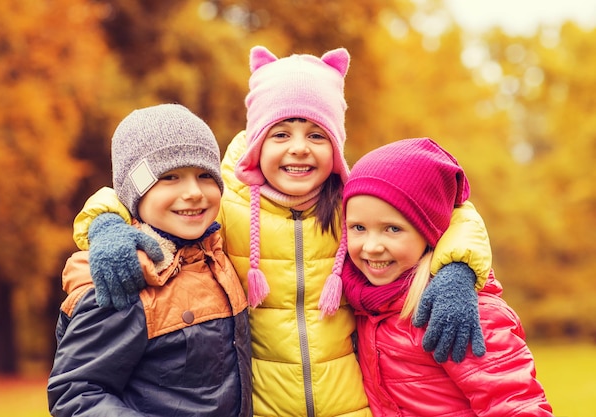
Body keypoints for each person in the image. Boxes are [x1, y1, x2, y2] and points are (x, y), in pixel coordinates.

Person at [70, 47, 492, 416]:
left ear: (337, 145)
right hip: (266, 408)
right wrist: (106, 225)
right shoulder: (220, 200)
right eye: (280, 133)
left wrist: (457, 270)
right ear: (257, 143)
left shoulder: (355, 203)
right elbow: (129, 193)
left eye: (316, 134)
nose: (298, 147)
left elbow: (451, 209)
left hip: (351, 406)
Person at [47, 104, 252, 417]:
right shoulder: (122, 275)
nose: (194, 192)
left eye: (204, 175)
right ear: (136, 193)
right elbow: (76, 393)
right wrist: (107, 226)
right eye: (170, 177)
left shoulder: (217, 255)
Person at [341, 137, 553, 416]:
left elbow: (515, 404)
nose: (371, 246)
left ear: (429, 231)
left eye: (392, 229)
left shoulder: (458, 310)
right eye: (358, 227)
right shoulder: (365, 300)